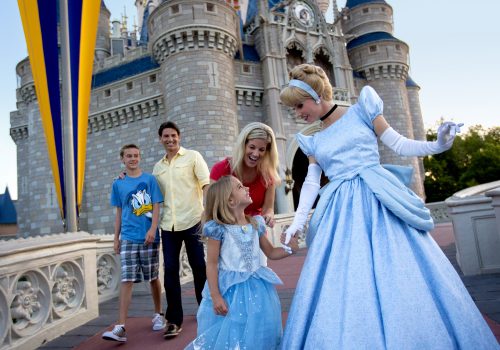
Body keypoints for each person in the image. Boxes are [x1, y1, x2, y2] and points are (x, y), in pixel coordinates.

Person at [279, 63, 499, 349]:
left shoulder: (362, 111)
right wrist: (297, 221)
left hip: (379, 199)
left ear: (316, 95)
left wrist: (438, 145)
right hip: (340, 213)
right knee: (345, 278)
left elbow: (400, 144)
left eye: (299, 105)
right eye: (294, 109)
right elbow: (310, 183)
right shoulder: (313, 139)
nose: (298, 114)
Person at [185, 176, 299, 349]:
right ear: (230, 201)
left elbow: (271, 252)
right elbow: (212, 264)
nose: (246, 187)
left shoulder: (255, 223)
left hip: (257, 287)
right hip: (230, 289)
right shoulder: (218, 229)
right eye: (239, 187)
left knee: (258, 327)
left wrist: (290, 249)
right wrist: (216, 296)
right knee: (234, 327)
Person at [152, 121, 210, 339]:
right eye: (166, 136)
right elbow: (151, 194)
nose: (170, 139)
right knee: (170, 272)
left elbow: (206, 185)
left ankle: (205, 309)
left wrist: (207, 215)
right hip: (168, 225)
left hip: (194, 220)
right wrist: (123, 177)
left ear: (179, 136)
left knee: (199, 267)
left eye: (173, 135)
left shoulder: (193, 157)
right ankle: (174, 320)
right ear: (160, 139)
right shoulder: (158, 168)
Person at [102, 144, 165, 343]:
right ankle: (120, 326)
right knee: (126, 280)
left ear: (140, 157)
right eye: (129, 156)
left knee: (153, 277)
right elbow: (119, 212)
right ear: (122, 159)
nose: (133, 159)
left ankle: (158, 314)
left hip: (148, 237)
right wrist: (116, 238)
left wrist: (153, 228)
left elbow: (156, 206)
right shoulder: (118, 184)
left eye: (136, 155)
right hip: (128, 237)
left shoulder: (150, 180)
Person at [210, 122, 281, 227]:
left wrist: (269, 215)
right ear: (243, 145)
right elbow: (211, 206)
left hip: (255, 228)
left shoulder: (268, 175)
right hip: (227, 229)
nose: (256, 154)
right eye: (252, 147)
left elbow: (268, 208)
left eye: (261, 150)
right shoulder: (220, 169)